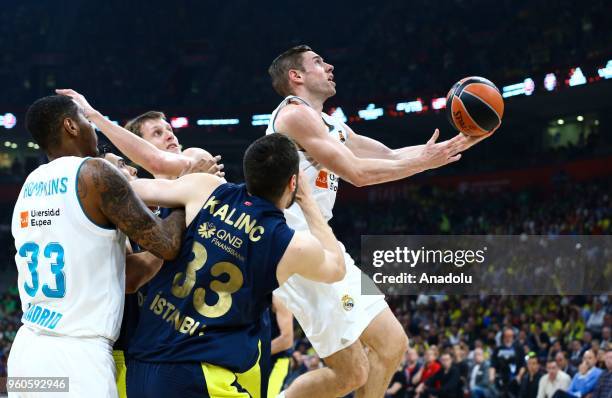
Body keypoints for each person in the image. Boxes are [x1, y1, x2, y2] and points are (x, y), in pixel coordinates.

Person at [266, 44, 493, 398]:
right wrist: (425, 163)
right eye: (317, 62)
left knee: (352, 374)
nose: (329, 65)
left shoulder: (332, 126)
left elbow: (390, 155)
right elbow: (356, 173)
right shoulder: (293, 116)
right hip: (296, 245)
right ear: (296, 76)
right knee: (391, 344)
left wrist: (467, 138)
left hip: (323, 243)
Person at [122, 133, 347, 397]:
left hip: (141, 364)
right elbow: (337, 268)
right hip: (199, 374)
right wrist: (308, 202)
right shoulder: (292, 245)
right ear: (293, 183)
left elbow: (128, 189)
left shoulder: (204, 187)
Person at [9, 95, 186, 397]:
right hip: (78, 354)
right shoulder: (94, 173)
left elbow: (127, 273)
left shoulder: (29, 186)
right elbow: (167, 245)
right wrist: (188, 195)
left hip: (26, 352)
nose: (94, 132)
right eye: (88, 123)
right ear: (70, 126)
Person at [55, 89, 224, 180]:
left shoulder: (195, 154)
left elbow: (157, 162)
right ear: (139, 148)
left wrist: (93, 115)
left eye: (170, 130)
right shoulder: (150, 198)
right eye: (157, 133)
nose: (170, 136)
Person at [268, 296, 295, 398]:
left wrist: (252, 353)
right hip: (257, 361)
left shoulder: (279, 297)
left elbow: (287, 340)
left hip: (277, 361)